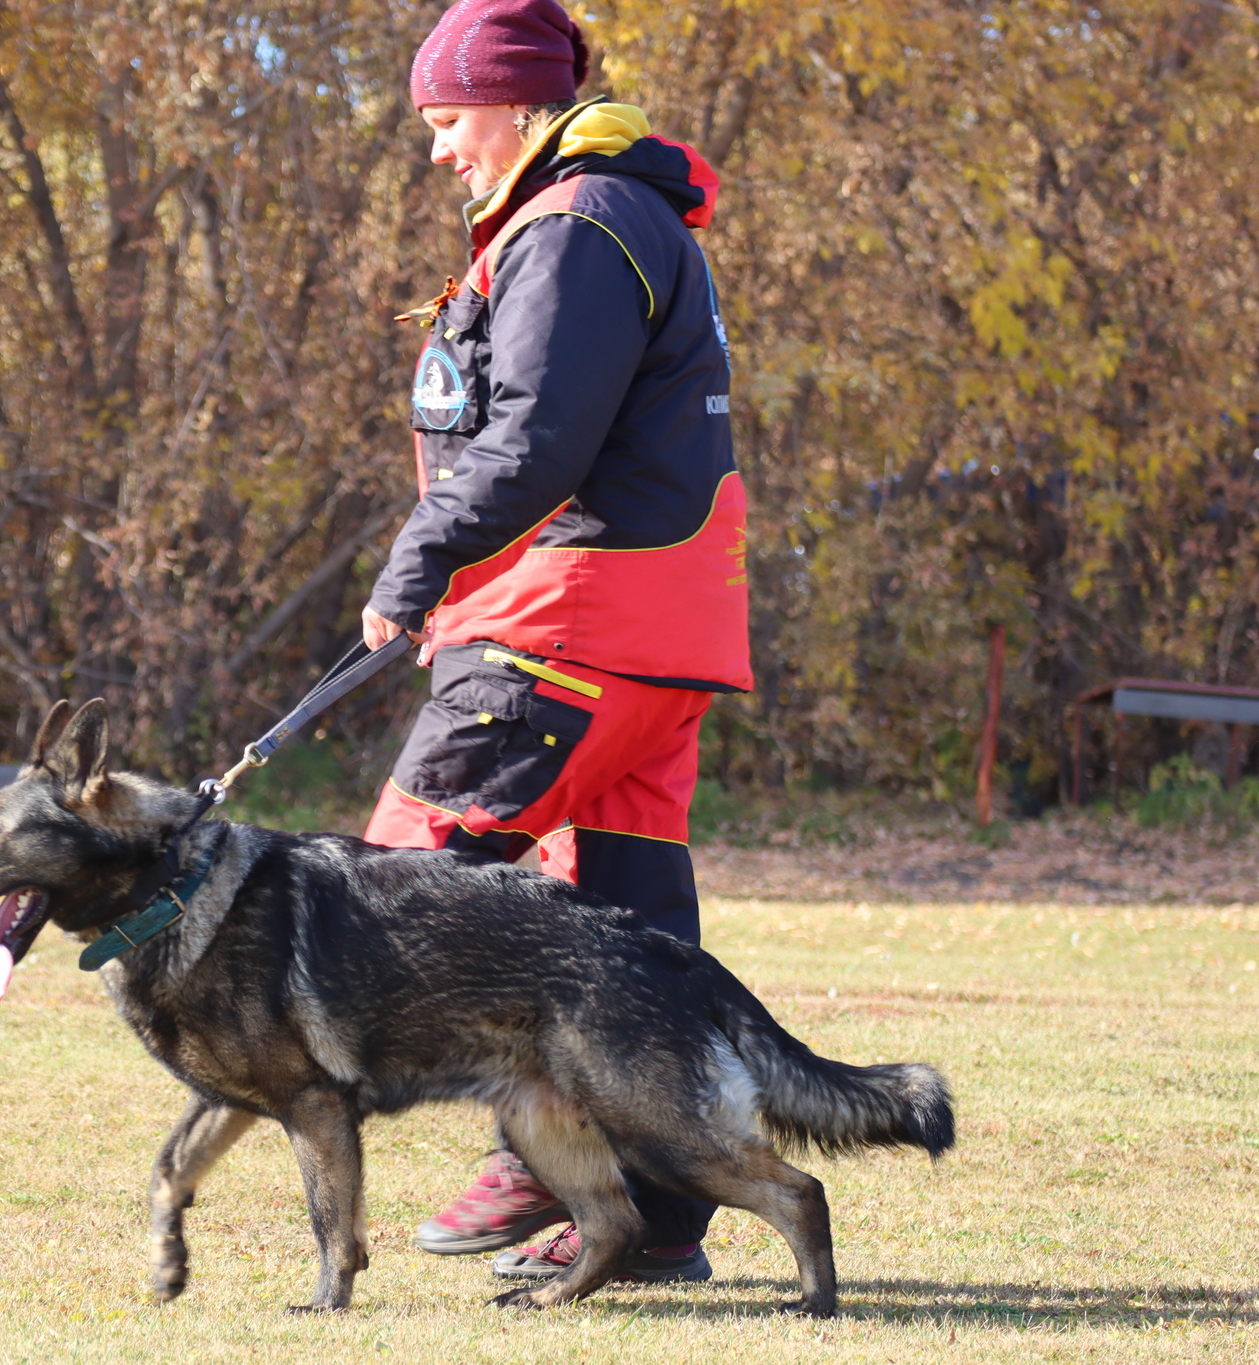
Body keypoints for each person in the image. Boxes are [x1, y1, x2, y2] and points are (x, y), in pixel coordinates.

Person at [358, 0, 751, 1286]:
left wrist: (418, 569)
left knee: (396, 899)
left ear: (520, 107)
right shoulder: (613, 218)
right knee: (628, 930)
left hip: (564, 627)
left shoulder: (575, 226)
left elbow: (534, 442)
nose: (437, 151)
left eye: (448, 121)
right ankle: (652, 1220)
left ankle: (549, 1147)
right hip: (657, 633)